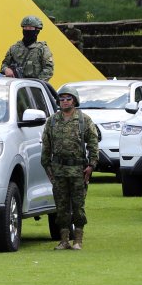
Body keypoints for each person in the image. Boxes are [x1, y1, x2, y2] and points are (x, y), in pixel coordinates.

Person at [40, 84, 100, 250]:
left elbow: (93, 143)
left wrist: (91, 165)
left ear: (75, 101)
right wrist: (47, 166)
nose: (65, 102)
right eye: (62, 99)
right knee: (61, 206)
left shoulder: (83, 120)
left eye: (68, 99)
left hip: (78, 171)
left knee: (78, 206)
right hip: (59, 170)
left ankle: (78, 240)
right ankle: (64, 240)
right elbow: (46, 145)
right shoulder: (52, 121)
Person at [1, 15, 54, 80]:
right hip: (15, 84)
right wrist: (6, 69)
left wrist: (36, 83)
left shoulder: (42, 49)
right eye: (25, 28)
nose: (27, 30)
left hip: (33, 85)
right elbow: (4, 64)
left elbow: (48, 70)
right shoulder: (14, 48)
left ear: (37, 31)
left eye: (30, 28)